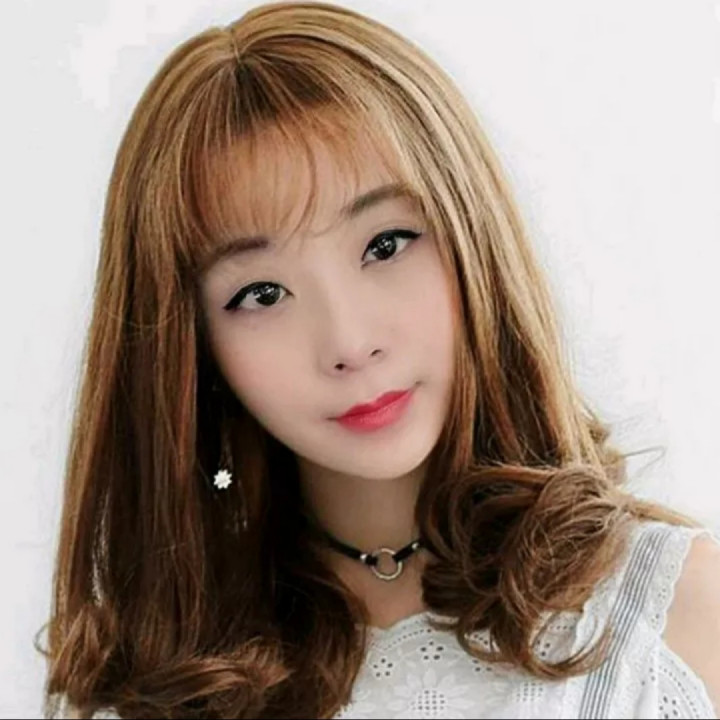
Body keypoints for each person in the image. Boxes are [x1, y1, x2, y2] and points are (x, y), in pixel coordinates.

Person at [39, 2, 720, 718]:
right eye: (262, 294)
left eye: (385, 245)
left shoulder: (668, 622)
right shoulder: (161, 682)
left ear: (471, 233)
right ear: (192, 350)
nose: (349, 342)